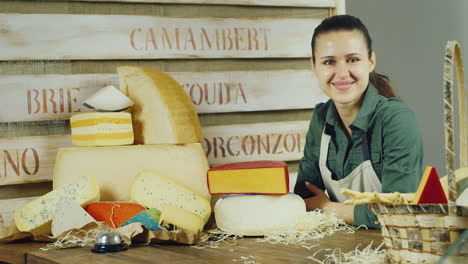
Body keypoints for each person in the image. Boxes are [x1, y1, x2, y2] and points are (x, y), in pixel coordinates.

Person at [294, 15, 424, 228]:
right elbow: (304, 200)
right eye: (329, 62)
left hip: (397, 252)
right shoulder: (320, 119)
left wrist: (329, 208)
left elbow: (399, 214)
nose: (342, 73)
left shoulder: (396, 119)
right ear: (314, 67)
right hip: (341, 251)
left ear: (371, 61)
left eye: (353, 59)